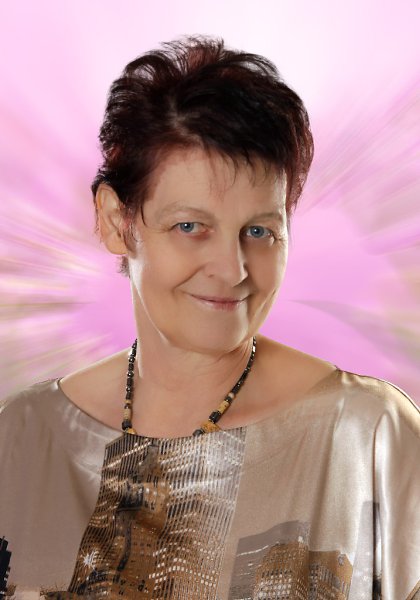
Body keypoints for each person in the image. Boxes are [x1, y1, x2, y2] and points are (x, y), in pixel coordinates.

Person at [0, 35, 419, 600]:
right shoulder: (25, 438)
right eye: (190, 227)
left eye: (259, 231)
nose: (232, 269)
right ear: (117, 222)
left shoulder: (366, 435)